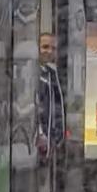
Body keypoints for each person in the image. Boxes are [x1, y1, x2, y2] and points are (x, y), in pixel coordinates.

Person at [37, 32, 65, 164]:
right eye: (45, 47)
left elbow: (57, 109)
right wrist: (40, 134)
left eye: (53, 48)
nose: (49, 51)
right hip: (38, 143)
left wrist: (56, 139)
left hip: (49, 145)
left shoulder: (52, 74)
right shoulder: (33, 73)